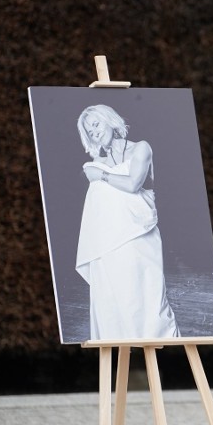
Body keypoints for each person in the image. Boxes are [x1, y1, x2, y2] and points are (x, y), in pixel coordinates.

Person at [75, 104, 180, 340]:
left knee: (146, 295)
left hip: (139, 234)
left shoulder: (140, 148)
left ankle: (162, 352)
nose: (95, 132)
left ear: (109, 120)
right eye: (89, 131)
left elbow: (133, 184)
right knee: (115, 296)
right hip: (109, 240)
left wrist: (100, 175)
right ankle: (122, 350)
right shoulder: (96, 161)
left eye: (96, 124)